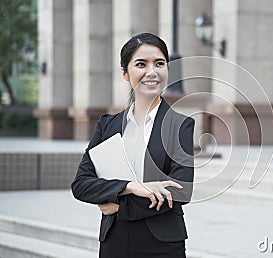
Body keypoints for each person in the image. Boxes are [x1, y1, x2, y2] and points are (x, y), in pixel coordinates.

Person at [71, 32, 195, 258]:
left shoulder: (180, 126)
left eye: (159, 63)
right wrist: (131, 186)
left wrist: (119, 205)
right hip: (114, 241)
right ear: (125, 73)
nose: (152, 72)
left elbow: (181, 191)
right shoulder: (107, 126)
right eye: (141, 64)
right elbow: (81, 185)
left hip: (163, 246)